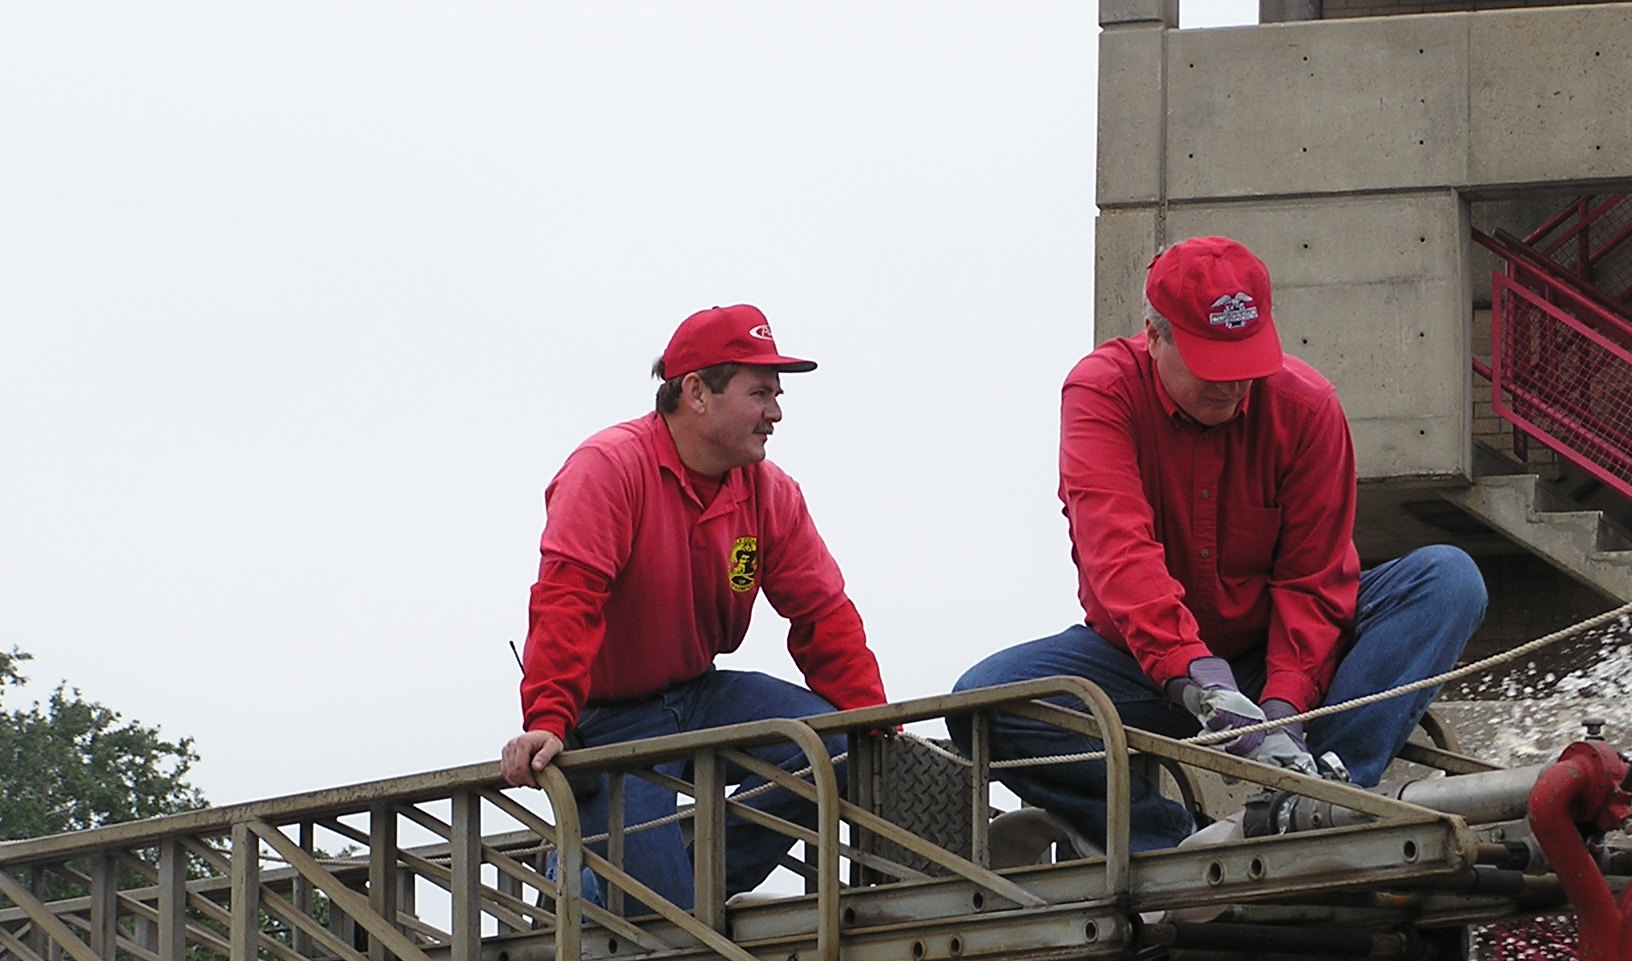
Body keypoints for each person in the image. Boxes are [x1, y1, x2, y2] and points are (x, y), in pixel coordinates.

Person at [953, 236, 1487, 851]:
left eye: (1248, 368)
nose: (1235, 389)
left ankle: (1322, 803)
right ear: (1155, 337)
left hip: (1272, 655)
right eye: (1214, 370)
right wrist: (1198, 681)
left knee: (1447, 579)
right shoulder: (1101, 394)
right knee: (981, 704)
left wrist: (1285, 706)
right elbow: (1119, 553)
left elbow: (1313, 581)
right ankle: (1170, 844)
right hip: (1142, 660)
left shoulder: (1308, 408)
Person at [500, 305, 885, 908]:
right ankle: (588, 882)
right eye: (760, 393)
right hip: (607, 720)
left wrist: (874, 722)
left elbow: (822, 613)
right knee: (656, 923)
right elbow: (565, 602)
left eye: (777, 395)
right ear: (697, 392)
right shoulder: (607, 469)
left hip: (700, 695)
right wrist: (548, 720)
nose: (776, 413)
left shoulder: (768, 490)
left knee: (836, 747)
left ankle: (680, 885)